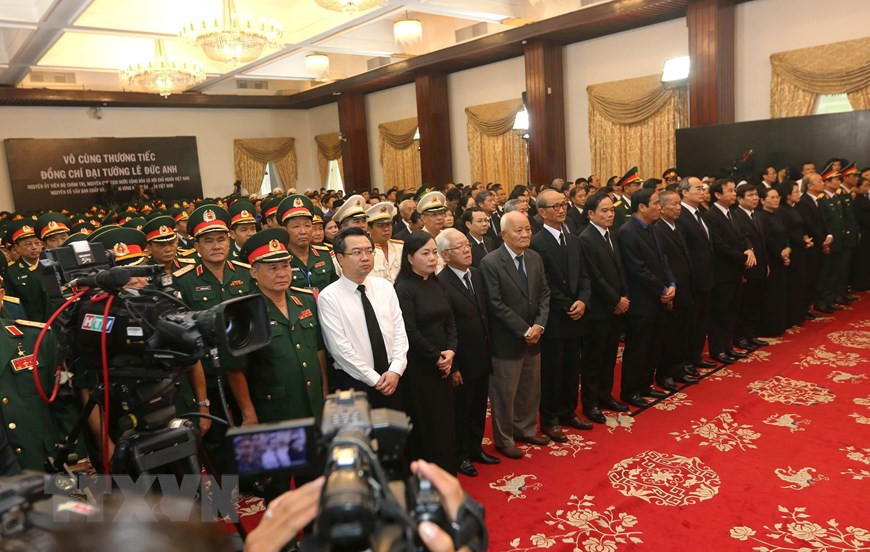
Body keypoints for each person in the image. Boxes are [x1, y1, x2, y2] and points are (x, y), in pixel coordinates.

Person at [172, 205, 252, 471]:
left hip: (245, 365)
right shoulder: (182, 281)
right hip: (207, 371)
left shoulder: (246, 272)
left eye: (221, 239)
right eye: (208, 241)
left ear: (229, 240)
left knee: (251, 425)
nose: (216, 246)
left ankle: (253, 479)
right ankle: (226, 485)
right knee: (216, 435)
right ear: (196, 245)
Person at [480, 211, 550, 459]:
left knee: (530, 388)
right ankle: (504, 439)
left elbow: (544, 294)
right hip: (507, 339)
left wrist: (539, 325)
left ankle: (526, 429)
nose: (525, 234)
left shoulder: (534, 257)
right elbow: (495, 303)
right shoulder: (490, 262)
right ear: (503, 234)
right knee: (504, 393)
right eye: (518, 230)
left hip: (534, 336)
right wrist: (524, 330)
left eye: (528, 229)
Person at [318, 228, 409, 410]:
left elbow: (399, 332)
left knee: (396, 426)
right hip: (355, 382)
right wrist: (375, 379)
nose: (365, 258)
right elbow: (340, 350)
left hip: (393, 377)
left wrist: (395, 369)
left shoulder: (384, 287)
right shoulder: (329, 297)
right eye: (357, 252)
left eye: (369, 251)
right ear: (340, 258)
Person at [436, 229, 499, 477]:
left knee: (478, 407)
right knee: (461, 411)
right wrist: (454, 367)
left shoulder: (477, 274)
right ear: (445, 255)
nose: (466, 250)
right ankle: (460, 455)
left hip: (482, 354)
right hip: (461, 360)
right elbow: (445, 329)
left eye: (467, 245)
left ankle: (475, 448)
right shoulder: (441, 282)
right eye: (459, 247)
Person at [529, 189, 594, 433]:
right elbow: (544, 283)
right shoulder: (536, 242)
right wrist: (568, 304)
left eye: (563, 205)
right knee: (552, 371)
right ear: (542, 212)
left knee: (572, 368)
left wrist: (583, 301)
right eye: (555, 206)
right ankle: (550, 418)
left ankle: (569, 411)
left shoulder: (574, 239)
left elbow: (585, 275)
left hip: (577, 314)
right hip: (555, 317)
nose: (561, 209)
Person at [394, 231, 458, 474]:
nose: (432, 258)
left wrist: (451, 351)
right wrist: (436, 356)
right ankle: (425, 475)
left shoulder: (436, 282)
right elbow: (409, 331)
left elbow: (450, 320)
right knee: (426, 422)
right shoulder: (404, 288)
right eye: (425, 253)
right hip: (420, 366)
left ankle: (446, 471)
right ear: (410, 257)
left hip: (444, 363)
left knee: (444, 420)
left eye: (434, 252)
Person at [618, 189, 676, 402]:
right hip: (641, 300)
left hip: (658, 298)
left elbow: (664, 260)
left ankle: (645, 385)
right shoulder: (627, 231)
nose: (660, 207)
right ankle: (630, 390)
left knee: (653, 345)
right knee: (638, 347)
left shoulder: (654, 228)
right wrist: (662, 289)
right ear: (642, 207)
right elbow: (637, 269)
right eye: (655, 203)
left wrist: (671, 284)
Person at [578, 193, 630, 413]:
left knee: (610, 356)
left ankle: (605, 395)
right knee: (594, 358)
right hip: (599, 309)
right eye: (604, 211)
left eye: (612, 210)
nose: (610, 214)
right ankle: (590, 403)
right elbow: (594, 277)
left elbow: (620, 269)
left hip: (616, 307)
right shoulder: (586, 238)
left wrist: (624, 296)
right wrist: (616, 299)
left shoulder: (612, 235)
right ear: (591, 214)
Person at [704, 179, 755, 365]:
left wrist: (749, 249)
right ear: (718, 195)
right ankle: (718, 349)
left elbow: (744, 235)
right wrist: (742, 257)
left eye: (734, 190)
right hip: (722, 273)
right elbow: (719, 245)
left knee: (732, 311)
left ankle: (728, 346)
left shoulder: (732, 213)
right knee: (720, 313)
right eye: (730, 191)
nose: (734, 194)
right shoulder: (711, 215)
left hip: (736, 271)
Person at [654, 190, 698, 384]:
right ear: (661, 208)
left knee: (683, 331)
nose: (678, 208)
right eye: (673, 204)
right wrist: (667, 287)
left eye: (679, 203)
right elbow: (662, 263)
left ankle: (679, 368)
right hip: (672, 290)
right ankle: (665, 374)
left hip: (685, 287)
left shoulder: (678, 226)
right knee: (669, 335)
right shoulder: (658, 229)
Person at [676, 177, 717, 369]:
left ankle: (696, 356)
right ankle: (685, 360)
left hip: (706, 276)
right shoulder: (680, 215)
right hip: (692, 279)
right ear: (684, 192)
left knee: (702, 320)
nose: (702, 192)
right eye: (698, 188)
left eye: (703, 188)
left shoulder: (700, 212)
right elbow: (684, 251)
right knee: (690, 323)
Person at [731, 183, 770, 350]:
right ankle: (740, 337)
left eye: (756, 195)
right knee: (743, 304)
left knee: (755, 302)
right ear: (740, 199)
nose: (755, 198)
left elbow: (763, 243)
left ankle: (751, 334)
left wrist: (766, 263)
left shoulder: (758, 215)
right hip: (747, 268)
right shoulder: (736, 216)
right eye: (750, 195)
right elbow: (740, 243)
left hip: (760, 266)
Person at [278, 194, 339, 296]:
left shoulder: (324, 254)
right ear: (285, 230)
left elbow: (335, 286)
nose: (303, 231)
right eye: (296, 226)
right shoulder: (280, 259)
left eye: (307, 225)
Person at [796, 172, 833, 314]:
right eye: (819, 181)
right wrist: (823, 241)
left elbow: (824, 221)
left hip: (820, 243)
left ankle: (817, 301)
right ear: (809, 186)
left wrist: (829, 235)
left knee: (820, 275)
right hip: (812, 245)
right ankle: (808, 306)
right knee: (811, 276)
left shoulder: (819, 200)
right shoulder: (803, 202)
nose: (823, 183)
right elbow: (810, 225)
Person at [757, 186, 791, 336]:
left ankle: (779, 324)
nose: (776, 200)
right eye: (772, 197)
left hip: (782, 257)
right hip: (771, 259)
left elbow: (785, 235)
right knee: (770, 294)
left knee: (780, 293)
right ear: (762, 200)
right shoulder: (761, 217)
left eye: (777, 197)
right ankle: (769, 328)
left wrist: (788, 249)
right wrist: (781, 254)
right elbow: (768, 240)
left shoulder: (777, 214)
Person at [3, 220, 48, 322]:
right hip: (30, 324)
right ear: (17, 248)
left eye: (37, 243)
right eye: (28, 244)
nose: (34, 247)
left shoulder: (52, 265)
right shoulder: (11, 273)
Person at [368, 201, 403, 283]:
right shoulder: (366, 252)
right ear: (369, 229)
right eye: (380, 226)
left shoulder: (400, 247)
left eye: (388, 225)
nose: (386, 229)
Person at [611, 167, 641, 232]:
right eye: (636, 185)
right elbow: (615, 232)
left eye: (639, 185)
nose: (639, 188)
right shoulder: (618, 208)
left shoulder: (640, 204)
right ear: (626, 188)